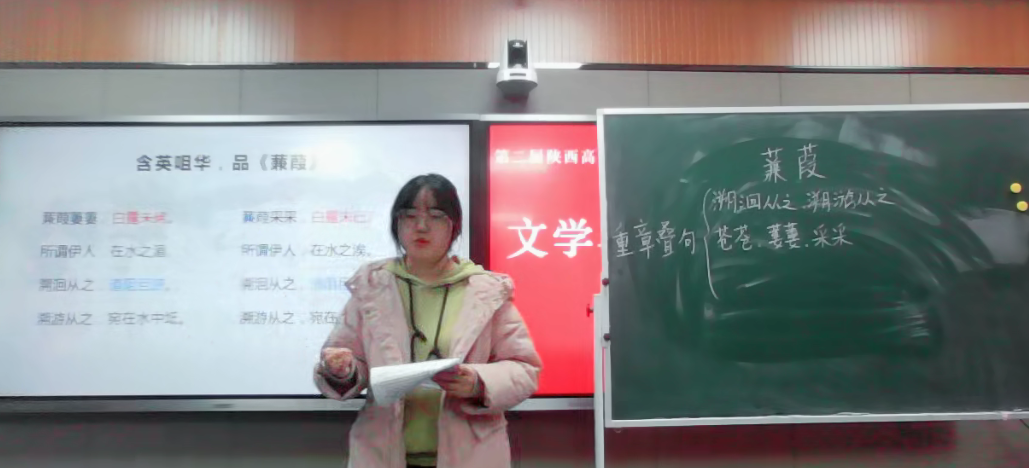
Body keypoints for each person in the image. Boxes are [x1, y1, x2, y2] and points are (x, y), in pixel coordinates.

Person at [314, 173, 542, 468]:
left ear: (454, 226)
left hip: (470, 456)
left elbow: (524, 369)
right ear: (396, 224)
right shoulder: (372, 288)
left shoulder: (486, 292)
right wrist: (341, 368)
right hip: (382, 454)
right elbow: (348, 361)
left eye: (435, 216)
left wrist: (478, 382)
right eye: (409, 216)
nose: (421, 226)